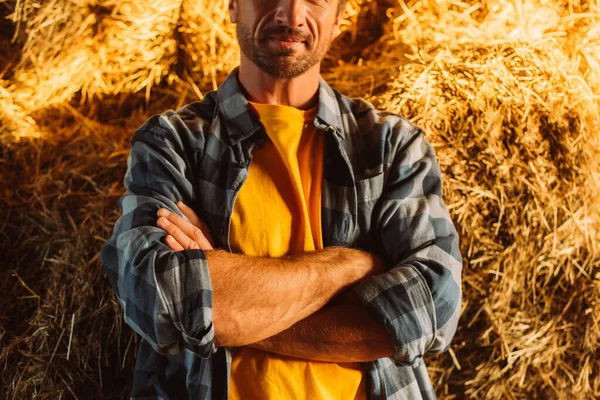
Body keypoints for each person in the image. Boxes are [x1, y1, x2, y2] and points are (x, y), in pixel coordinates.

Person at [99, 0, 463, 398]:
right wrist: (348, 265)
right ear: (234, 5)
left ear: (339, 17)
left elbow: (430, 308)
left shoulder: (391, 147)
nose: (291, 16)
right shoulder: (174, 143)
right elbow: (157, 297)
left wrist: (231, 309)